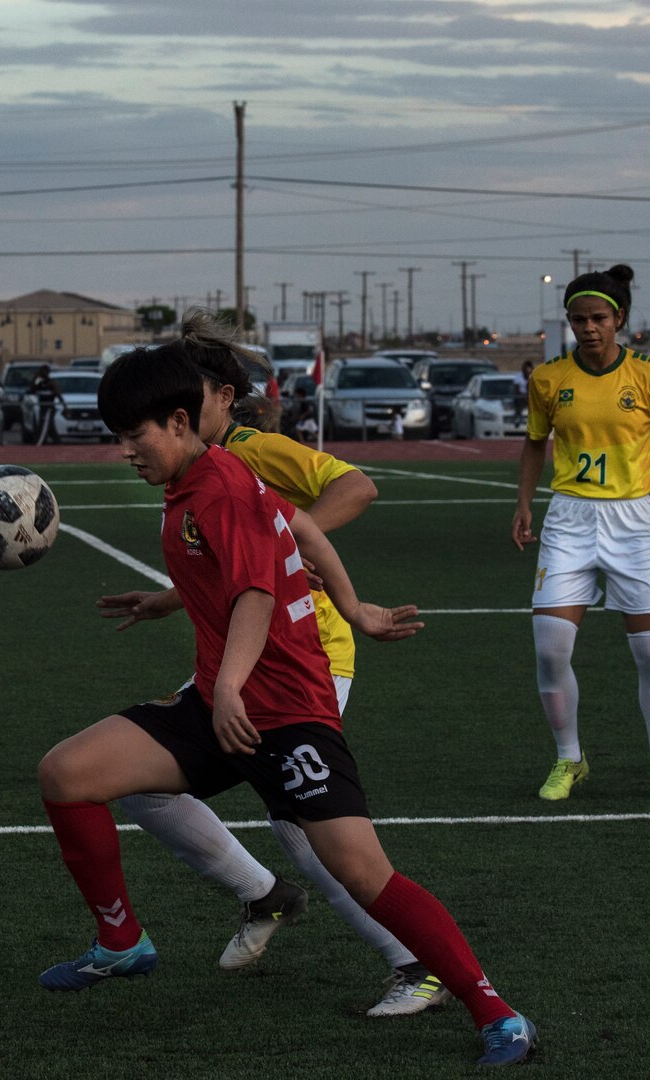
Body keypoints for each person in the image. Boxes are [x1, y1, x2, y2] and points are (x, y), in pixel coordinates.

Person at [37, 339, 536, 1066]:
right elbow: (295, 528)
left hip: (287, 713)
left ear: (177, 422)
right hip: (223, 702)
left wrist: (234, 685)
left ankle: (494, 1010)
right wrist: (353, 606)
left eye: (133, 436)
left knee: (361, 870)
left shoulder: (219, 485)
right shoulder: (214, 473)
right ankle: (122, 943)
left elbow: (255, 591)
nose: (125, 452)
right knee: (67, 774)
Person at [98, 313, 450, 1017]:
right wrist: (173, 600)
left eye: (192, 391)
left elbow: (352, 490)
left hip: (303, 656)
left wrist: (298, 568)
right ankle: (264, 895)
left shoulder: (253, 451)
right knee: (138, 785)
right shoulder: (195, 471)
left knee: (303, 825)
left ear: (222, 397)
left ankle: (414, 963)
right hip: (238, 664)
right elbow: (233, 558)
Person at [512, 264, 650, 803]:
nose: (588, 327)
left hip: (633, 524)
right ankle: (569, 759)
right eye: (578, 319)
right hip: (569, 520)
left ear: (619, 318)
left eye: (598, 318)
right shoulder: (549, 379)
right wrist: (524, 504)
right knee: (550, 649)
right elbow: (535, 442)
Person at [28, 364, 65, 445]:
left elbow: (58, 394)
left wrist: (64, 406)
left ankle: (38, 443)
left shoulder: (51, 382)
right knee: (51, 428)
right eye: (41, 371)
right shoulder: (39, 382)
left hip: (48, 408)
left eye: (43, 371)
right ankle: (58, 443)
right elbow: (32, 389)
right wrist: (36, 378)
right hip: (42, 408)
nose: (41, 373)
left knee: (43, 426)